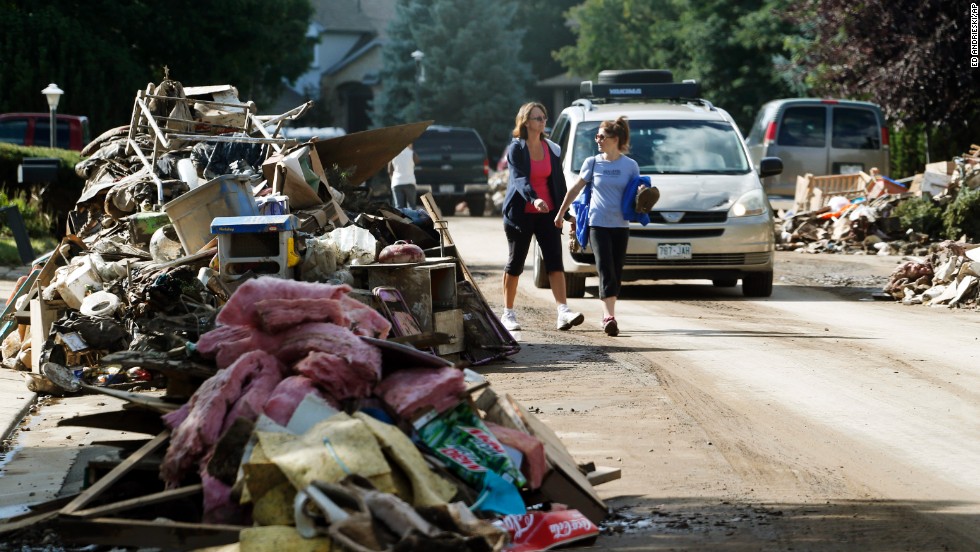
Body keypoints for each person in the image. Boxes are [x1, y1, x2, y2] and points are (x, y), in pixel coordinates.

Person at [554, 116, 656, 336]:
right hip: (597, 224)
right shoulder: (592, 163)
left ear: (615, 139)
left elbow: (637, 193)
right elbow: (575, 190)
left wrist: (644, 198)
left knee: (616, 270)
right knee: (605, 268)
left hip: (620, 225)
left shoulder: (630, 166)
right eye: (596, 136)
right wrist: (562, 212)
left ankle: (609, 313)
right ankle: (608, 316)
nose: (597, 140)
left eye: (602, 136)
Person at [500, 102, 584, 332]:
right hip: (520, 214)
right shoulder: (517, 148)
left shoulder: (553, 148)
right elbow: (519, 179)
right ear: (526, 122)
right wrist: (533, 198)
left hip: (547, 214)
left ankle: (563, 312)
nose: (543, 121)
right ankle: (508, 314)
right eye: (538, 118)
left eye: (544, 118)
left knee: (555, 261)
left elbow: (558, 183)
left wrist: (565, 213)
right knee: (515, 263)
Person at [388, 144, 419, 209]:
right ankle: (411, 219)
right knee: (412, 206)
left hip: (396, 182)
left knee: (399, 206)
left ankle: (400, 219)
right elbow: (417, 161)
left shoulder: (393, 154)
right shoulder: (411, 153)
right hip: (409, 181)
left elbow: (389, 170)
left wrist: (392, 180)